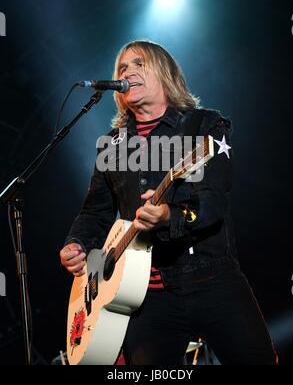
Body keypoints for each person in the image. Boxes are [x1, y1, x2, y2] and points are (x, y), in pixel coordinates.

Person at [60, 40, 277, 365]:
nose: (127, 72)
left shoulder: (204, 126)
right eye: (122, 68)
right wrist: (76, 243)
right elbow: (94, 211)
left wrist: (169, 216)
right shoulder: (111, 145)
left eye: (138, 64)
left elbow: (212, 204)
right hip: (144, 298)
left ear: (165, 73)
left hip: (212, 280)